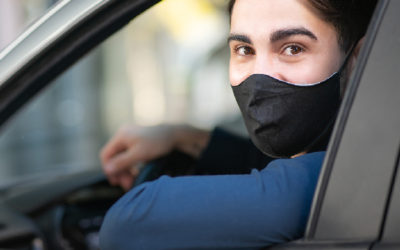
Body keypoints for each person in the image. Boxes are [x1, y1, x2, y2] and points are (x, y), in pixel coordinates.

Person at [99, 0, 377, 249]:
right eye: (244, 49)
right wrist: (181, 137)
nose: (260, 76)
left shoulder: (364, 172)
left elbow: (129, 222)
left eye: (293, 48)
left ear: (358, 60)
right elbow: (263, 162)